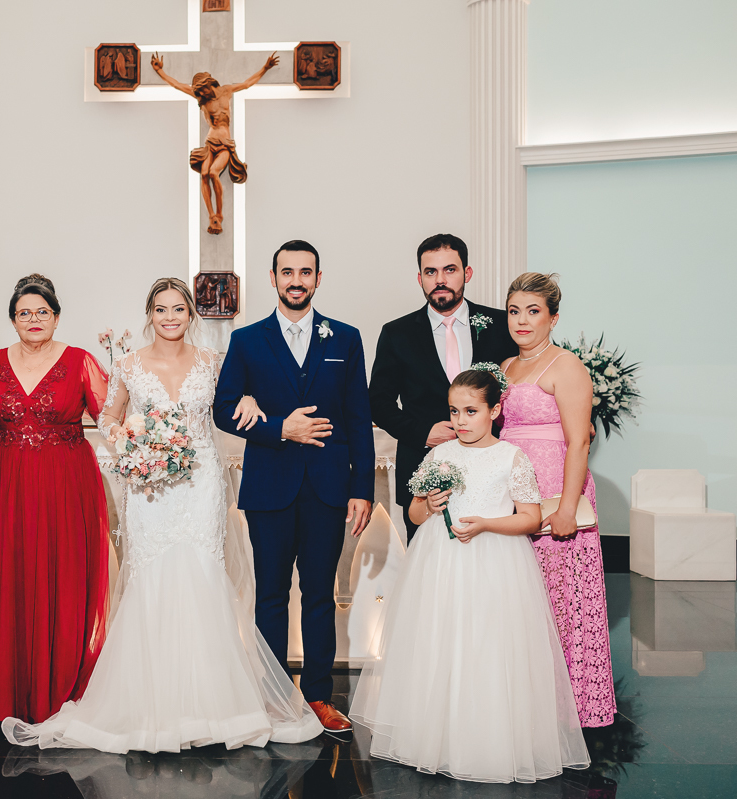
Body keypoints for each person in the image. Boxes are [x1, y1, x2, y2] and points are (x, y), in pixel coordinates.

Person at [1, 277, 323, 752]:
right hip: (151, 488)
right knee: (152, 579)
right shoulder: (129, 365)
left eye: (178, 309)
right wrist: (131, 444)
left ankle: (211, 704)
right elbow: (108, 418)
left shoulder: (214, 362)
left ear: (190, 315)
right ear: (149, 314)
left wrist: (251, 400)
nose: (170, 317)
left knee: (203, 576)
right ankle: (152, 704)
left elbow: (238, 399)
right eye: (160, 309)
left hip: (200, 484)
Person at [349, 369, 589, 783]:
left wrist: (486, 524)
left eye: (471, 411)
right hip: (440, 563)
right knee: (441, 641)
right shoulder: (439, 455)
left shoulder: (511, 458)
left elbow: (531, 519)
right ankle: (435, 735)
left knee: (486, 644)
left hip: (495, 563)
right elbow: (415, 513)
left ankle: (486, 738)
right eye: (454, 411)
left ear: (495, 411)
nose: (460, 421)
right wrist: (433, 505)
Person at [213, 240, 376, 734]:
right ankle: (272, 697)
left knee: (320, 596)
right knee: (270, 595)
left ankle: (319, 698)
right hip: (270, 488)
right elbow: (222, 409)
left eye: (306, 272)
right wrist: (279, 428)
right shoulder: (247, 340)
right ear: (273, 277)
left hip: (329, 488)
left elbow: (358, 418)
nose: (297, 280)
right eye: (288, 271)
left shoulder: (344, 339)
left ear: (318, 279)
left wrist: (362, 488)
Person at [0, 274, 111, 724]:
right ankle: (16, 686)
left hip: (66, 484)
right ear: (13, 320)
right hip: (7, 486)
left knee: (63, 574)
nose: (33, 319)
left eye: (42, 312)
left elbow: (114, 416)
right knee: (11, 575)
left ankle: (64, 685)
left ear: (56, 316)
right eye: (23, 313)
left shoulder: (80, 361)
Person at [500, 272, 616, 728]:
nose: (522, 321)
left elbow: (579, 442)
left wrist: (568, 507)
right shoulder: (506, 367)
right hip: (516, 500)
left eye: (533, 311)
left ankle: (566, 712)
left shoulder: (566, 367)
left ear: (554, 318)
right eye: (514, 311)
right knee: (521, 600)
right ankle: (524, 706)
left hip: (556, 498)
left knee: (560, 602)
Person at [369, 234, 516, 543]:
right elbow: (377, 403)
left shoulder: (501, 325)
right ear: (420, 278)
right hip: (424, 468)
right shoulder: (397, 333)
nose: (440, 280)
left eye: (450, 270)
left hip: (492, 471)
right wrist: (422, 432)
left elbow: (525, 384)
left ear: (467, 273)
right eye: (431, 272)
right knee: (429, 569)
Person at [149, 51, 279, 235]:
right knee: (203, 174)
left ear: (210, 84)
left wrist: (265, 68)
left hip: (225, 143)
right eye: (199, 91)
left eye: (203, 89)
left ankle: (219, 212)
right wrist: (160, 72)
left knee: (213, 173)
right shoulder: (201, 97)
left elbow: (247, 83)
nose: (201, 93)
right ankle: (212, 215)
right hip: (210, 142)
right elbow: (177, 85)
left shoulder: (226, 91)